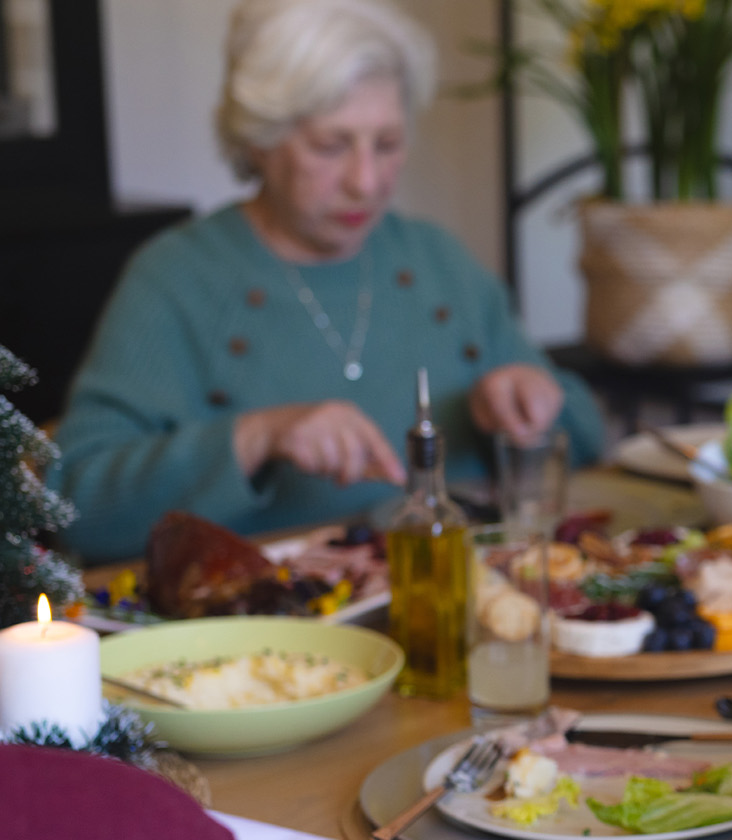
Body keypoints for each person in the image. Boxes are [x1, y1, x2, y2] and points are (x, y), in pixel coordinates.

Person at [51, 0, 604, 562]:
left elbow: (589, 439)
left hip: (464, 601)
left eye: (387, 144)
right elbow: (77, 507)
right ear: (258, 141)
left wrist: (535, 410)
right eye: (330, 146)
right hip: (270, 634)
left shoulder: (437, 260)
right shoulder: (177, 278)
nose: (366, 182)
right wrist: (254, 438)